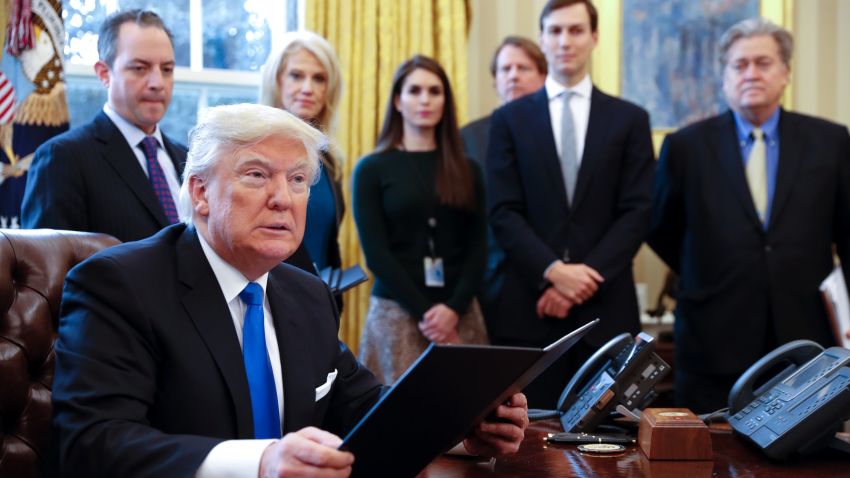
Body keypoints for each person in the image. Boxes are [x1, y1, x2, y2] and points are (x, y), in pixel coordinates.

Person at [51, 103, 529, 477]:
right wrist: (259, 464)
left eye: (298, 180)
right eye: (257, 175)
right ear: (199, 192)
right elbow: (93, 441)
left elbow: (364, 409)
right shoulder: (120, 284)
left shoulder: (307, 295)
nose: (283, 197)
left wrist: (464, 427)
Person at [648, 17, 850, 413]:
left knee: (808, 465)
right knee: (711, 461)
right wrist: (712, 269)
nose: (751, 74)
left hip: (805, 337)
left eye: (763, 63)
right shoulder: (686, 147)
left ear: (785, 73)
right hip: (713, 335)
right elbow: (661, 228)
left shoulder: (830, 141)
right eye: (739, 65)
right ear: (724, 76)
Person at [486, 0, 655, 408]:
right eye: (556, 31)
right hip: (529, 310)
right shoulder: (509, 119)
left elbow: (638, 210)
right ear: (543, 38)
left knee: (613, 446)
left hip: (606, 309)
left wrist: (584, 277)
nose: (565, 41)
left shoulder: (629, 119)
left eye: (576, 30)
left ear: (594, 37)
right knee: (527, 446)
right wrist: (553, 272)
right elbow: (503, 211)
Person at [353, 55, 489, 384]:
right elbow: (376, 253)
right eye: (414, 91)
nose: (425, 99)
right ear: (398, 101)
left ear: (446, 101)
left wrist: (452, 310)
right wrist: (427, 314)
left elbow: (478, 247)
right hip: (397, 314)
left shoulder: (467, 168)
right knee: (395, 423)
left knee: (466, 418)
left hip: (460, 314)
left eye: (434, 91)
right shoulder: (372, 168)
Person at [22, 9, 186, 242]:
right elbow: (47, 272)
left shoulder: (187, 159)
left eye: (167, 69)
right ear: (104, 73)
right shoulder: (63, 158)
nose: (157, 83)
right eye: (140, 68)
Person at [460, 35, 547, 335]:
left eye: (523, 67)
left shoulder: (558, 133)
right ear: (495, 80)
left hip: (550, 284)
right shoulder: (468, 138)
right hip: (489, 286)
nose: (513, 75)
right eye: (504, 69)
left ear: (544, 76)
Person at [259, 31, 346, 278]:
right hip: (267, 297)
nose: (308, 88)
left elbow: (328, 244)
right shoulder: (253, 151)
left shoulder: (330, 161)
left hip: (319, 302)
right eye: (296, 76)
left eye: (319, 78)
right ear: (277, 80)